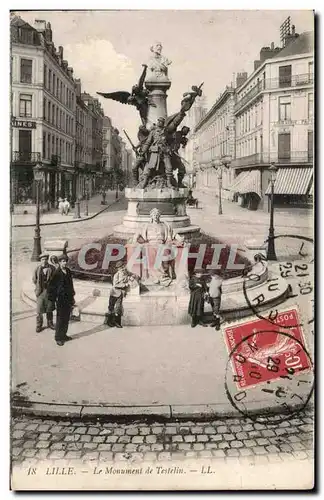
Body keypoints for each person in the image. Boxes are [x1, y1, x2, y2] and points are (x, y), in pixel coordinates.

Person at [47, 254, 75, 346]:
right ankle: (58, 338)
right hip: (60, 299)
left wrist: (72, 297)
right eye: (63, 261)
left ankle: (64, 335)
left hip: (68, 298)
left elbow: (71, 284)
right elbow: (51, 287)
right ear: (59, 262)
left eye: (66, 261)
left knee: (66, 318)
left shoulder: (68, 271)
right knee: (60, 318)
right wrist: (52, 300)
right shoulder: (57, 273)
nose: (65, 263)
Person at [104, 261, 138, 328]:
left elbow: (132, 274)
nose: (122, 268)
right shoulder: (116, 275)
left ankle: (117, 322)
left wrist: (132, 276)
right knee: (111, 307)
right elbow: (115, 284)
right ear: (118, 269)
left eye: (123, 266)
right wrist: (125, 284)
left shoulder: (125, 272)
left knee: (118, 308)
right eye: (120, 268)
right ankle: (109, 321)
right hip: (114, 293)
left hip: (120, 293)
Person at [32, 253, 56, 333]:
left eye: (46, 259)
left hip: (49, 291)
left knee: (49, 308)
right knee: (39, 310)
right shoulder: (37, 269)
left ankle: (50, 323)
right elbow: (34, 279)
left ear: (47, 260)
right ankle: (39, 325)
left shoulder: (52, 268)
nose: (44, 261)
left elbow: (56, 279)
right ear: (40, 260)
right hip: (40, 291)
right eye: (42, 259)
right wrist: (39, 286)